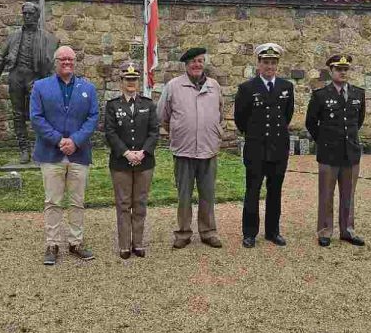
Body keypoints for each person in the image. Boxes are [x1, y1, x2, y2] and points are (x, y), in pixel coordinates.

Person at [30, 46, 99, 264]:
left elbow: (93, 117)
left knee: (77, 201)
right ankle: (52, 244)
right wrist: (59, 140)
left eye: (70, 59)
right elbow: (36, 117)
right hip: (51, 153)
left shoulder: (88, 88)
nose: (66, 62)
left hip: (79, 154)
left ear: (75, 61)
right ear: (55, 62)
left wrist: (76, 141)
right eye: (62, 59)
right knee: (53, 201)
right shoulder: (40, 87)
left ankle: (75, 242)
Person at [156, 47, 223, 249]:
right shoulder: (174, 86)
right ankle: (183, 232)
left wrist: (214, 132)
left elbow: (220, 113)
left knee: (208, 194)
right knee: (184, 195)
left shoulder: (214, 86)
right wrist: (178, 130)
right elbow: (162, 116)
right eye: (193, 61)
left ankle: (208, 231)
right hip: (183, 150)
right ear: (186, 65)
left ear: (204, 63)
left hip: (208, 149)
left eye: (200, 61)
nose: (197, 65)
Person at [233, 43, 294, 248]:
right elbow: (240, 119)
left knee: (275, 191)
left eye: (273, 62)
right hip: (256, 149)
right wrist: (254, 135)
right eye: (266, 62)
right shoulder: (247, 88)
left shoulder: (286, 87)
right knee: (252, 190)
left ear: (277, 64)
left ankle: (272, 231)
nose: (270, 66)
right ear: (258, 64)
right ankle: (250, 233)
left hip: (278, 149)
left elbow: (287, 115)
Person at [305, 54, 366, 247]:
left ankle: (347, 230)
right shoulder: (321, 95)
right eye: (338, 69)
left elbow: (358, 121)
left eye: (345, 69)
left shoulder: (358, 94)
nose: (342, 72)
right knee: (326, 194)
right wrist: (324, 141)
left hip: (351, 153)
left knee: (349, 194)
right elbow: (311, 123)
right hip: (329, 153)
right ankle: (325, 230)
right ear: (331, 71)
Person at [0, 2, 58, 164]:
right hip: (16, 77)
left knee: (39, 114)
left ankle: (41, 148)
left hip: (36, 79)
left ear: (37, 16)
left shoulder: (47, 38)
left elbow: (53, 65)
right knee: (17, 115)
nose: (27, 16)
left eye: (30, 14)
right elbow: (0, 59)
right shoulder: (13, 37)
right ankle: (24, 149)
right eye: (25, 14)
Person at [104, 61, 160, 259]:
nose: (131, 83)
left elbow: (154, 132)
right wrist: (127, 153)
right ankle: (124, 245)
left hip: (144, 162)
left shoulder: (148, 104)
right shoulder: (113, 106)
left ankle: (138, 243)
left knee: (140, 203)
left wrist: (143, 152)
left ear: (138, 81)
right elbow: (110, 133)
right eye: (127, 79)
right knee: (123, 203)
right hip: (121, 163)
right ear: (121, 81)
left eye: (134, 79)